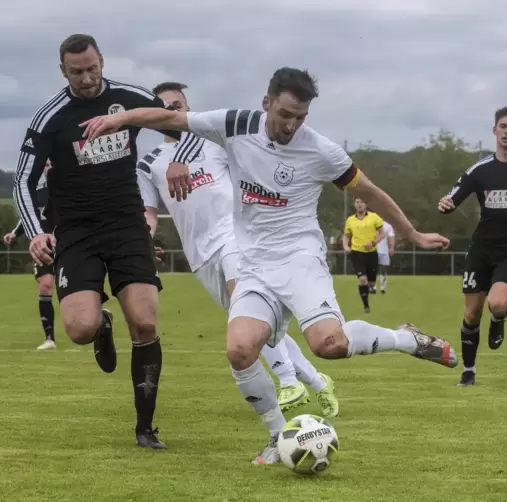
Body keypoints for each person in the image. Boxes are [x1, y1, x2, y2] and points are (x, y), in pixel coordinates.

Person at [81, 67, 458, 464]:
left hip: (300, 260)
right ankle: (280, 437)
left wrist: (412, 234)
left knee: (329, 345)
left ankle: (407, 339)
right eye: (284, 115)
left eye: (300, 117)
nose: (291, 125)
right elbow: (170, 118)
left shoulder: (321, 150)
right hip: (254, 265)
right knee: (240, 350)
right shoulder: (236, 124)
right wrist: (118, 118)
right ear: (266, 104)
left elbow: (371, 192)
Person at [12, 34, 203, 450]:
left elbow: (185, 124)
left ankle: (145, 428)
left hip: (126, 226)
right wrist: (35, 231)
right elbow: (22, 181)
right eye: (77, 71)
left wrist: (180, 158)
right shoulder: (50, 117)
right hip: (77, 232)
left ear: (102, 61)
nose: (86, 78)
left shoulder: (130, 97)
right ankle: (102, 325)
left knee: (147, 322)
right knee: (80, 328)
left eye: (92, 68)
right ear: (63, 71)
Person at [137, 81, 338, 417]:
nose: (174, 111)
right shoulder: (148, 164)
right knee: (256, 325)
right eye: (166, 106)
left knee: (245, 313)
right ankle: (317, 381)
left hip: (235, 238)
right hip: (200, 255)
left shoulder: (213, 142)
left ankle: (289, 382)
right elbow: (148, 213)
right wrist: (143, 240)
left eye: (179, 105)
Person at [438, 106, 507, 386]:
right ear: (494, 130)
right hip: (482, 250)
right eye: (503, 126)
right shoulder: (480, 170)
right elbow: (452, 198)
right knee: (471, 313)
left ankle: (499, 319)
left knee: (497, 303)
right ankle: (469, 371)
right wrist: (446, 204)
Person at [5, 159, 57, 350]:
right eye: (46, 164)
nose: (49, 167)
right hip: (43, 246)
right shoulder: (36, 193)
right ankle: (50, 338)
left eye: (52, 163)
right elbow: (27, 216)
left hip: (67, 243)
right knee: (45, 286)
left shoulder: (69, 188)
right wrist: (14, 233)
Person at [343, 198, 385, 312]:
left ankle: (369, 288)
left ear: (366, 204)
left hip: (371, 253)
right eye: (357, 202)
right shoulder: (350, 220)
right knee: (362, 280)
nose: (360, 204)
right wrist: (346, 246)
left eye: (362, 202)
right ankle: (366, 306)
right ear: (354, 204)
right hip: (356, 253)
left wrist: (373, 242)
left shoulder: (374, 217)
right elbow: (346, 235)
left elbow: (383, 233)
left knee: (371, 283)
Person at [376, 220, 395, 293]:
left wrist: (391, 247)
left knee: (383, 269)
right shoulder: (372, 223)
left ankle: (382, 287)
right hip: (373, 250)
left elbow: (391, 236)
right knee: (373, 268)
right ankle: (373, 287)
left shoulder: (388, 225)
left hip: (384, 251)